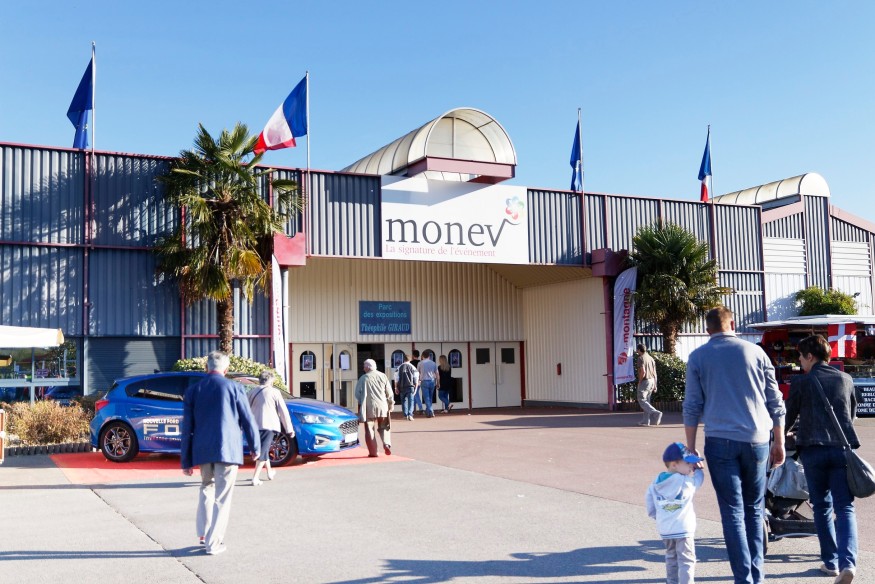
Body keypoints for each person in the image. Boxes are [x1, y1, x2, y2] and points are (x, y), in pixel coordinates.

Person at [684, 306, 785, 584]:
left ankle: (744, 579)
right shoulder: (757, 353)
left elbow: (692, 405)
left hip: (719, 440)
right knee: (754, 508)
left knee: (732, 512)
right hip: (757, 439)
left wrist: (691, 448)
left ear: (708, 330)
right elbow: (776, 400)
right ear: (733, 323)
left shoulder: (698, 357)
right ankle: (757, 576)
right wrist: (779, 439)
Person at [786, 334, 859, 584]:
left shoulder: (802, 382)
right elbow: (851, 414)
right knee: (845, 507)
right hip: (841, 450)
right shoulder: (845, 379)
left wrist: (781, 437)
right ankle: (848, 563)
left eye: (800, 356)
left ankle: (830, 562)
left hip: (812, 451)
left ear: (810, 356)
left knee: (822, 506)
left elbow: (789, 416)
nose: (799, 360)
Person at [181, 350, 260, 556]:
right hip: (228, 449)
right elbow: (248, 420)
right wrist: (256, 448)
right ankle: (213, 543)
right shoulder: (235, 388)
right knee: (222, 496)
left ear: (206, 367)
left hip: (202, 449)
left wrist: (186, 460)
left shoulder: (193, 390)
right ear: (226, 369)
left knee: (206, 488)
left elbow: (187, 428)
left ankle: (203, 532)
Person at [646, 442, 705, 584]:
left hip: (665, 529)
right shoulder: (685, 482)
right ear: (674, 464)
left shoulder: (655, 484)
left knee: (671, 557)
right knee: (686, 560)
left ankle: (671, 581)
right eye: (688, 463)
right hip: (683, 529)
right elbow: (698, 481)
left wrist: (660, 517)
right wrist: (699, 470)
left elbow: (650, 506)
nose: (691, 466)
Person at [247, 370, 294, 486]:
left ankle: (269, 472)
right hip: (269, 425)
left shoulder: (252, 392)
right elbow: (283, 412)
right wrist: (289, 429)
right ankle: (255, 478)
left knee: (264, 448)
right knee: (263, 450)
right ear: (270, 380)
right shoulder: (274, 392)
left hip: (254, 426)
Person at [354, 359, 394, 457]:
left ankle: (373, 452)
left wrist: (362, 400)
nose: (363, 368)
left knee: (369, 429)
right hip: (382, 406)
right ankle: (386, 444)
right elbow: (389, 392)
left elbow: (357, 394)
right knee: (384, 427)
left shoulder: (363, 378)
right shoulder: (383, 376)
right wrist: (390, 404)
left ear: (368, 367)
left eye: (364, 366)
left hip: (369, 407)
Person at [637, 344, 662, 426]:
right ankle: (645, 420)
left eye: (637, 350)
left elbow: (643, 372)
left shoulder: (641, 358)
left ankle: (656, 413)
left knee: (641, 400)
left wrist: (640, 381)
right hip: (651, 381)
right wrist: (655, 385)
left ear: (639, 350)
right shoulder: (651, 358)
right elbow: (655, 373)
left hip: (645, 381)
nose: (637, 351)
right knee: (647, 401)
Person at [395, 354, 418, 421]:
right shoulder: (413, 367)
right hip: (410, 386)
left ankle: (405, 415)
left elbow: (396, 378)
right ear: (410, 359)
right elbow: (416, 378)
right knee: (411, 401)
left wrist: (396, 387)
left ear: (403, 359)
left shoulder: (399, 367)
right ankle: (410, 414)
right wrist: (416, 388)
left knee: (403, 401)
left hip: (402, 386)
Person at [417, 353, 439, 418]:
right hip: (432, 381)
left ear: (422, 356)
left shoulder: (420, 363)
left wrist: (418, 380)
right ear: (429, 356)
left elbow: (417, 373)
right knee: (430, 397)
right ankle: (429, 411)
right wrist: (438, 383)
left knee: (426, 398)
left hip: (424, 381)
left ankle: (431, 411)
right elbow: (437, 374)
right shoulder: (433, 363)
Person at [410, 349, 424, 415]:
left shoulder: (411, 363)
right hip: (419, 379)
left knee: (415, 394)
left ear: (413, 355)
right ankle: (412, 409)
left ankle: (421, 408)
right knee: (415, 394)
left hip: (413, 380)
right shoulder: (421, 363)